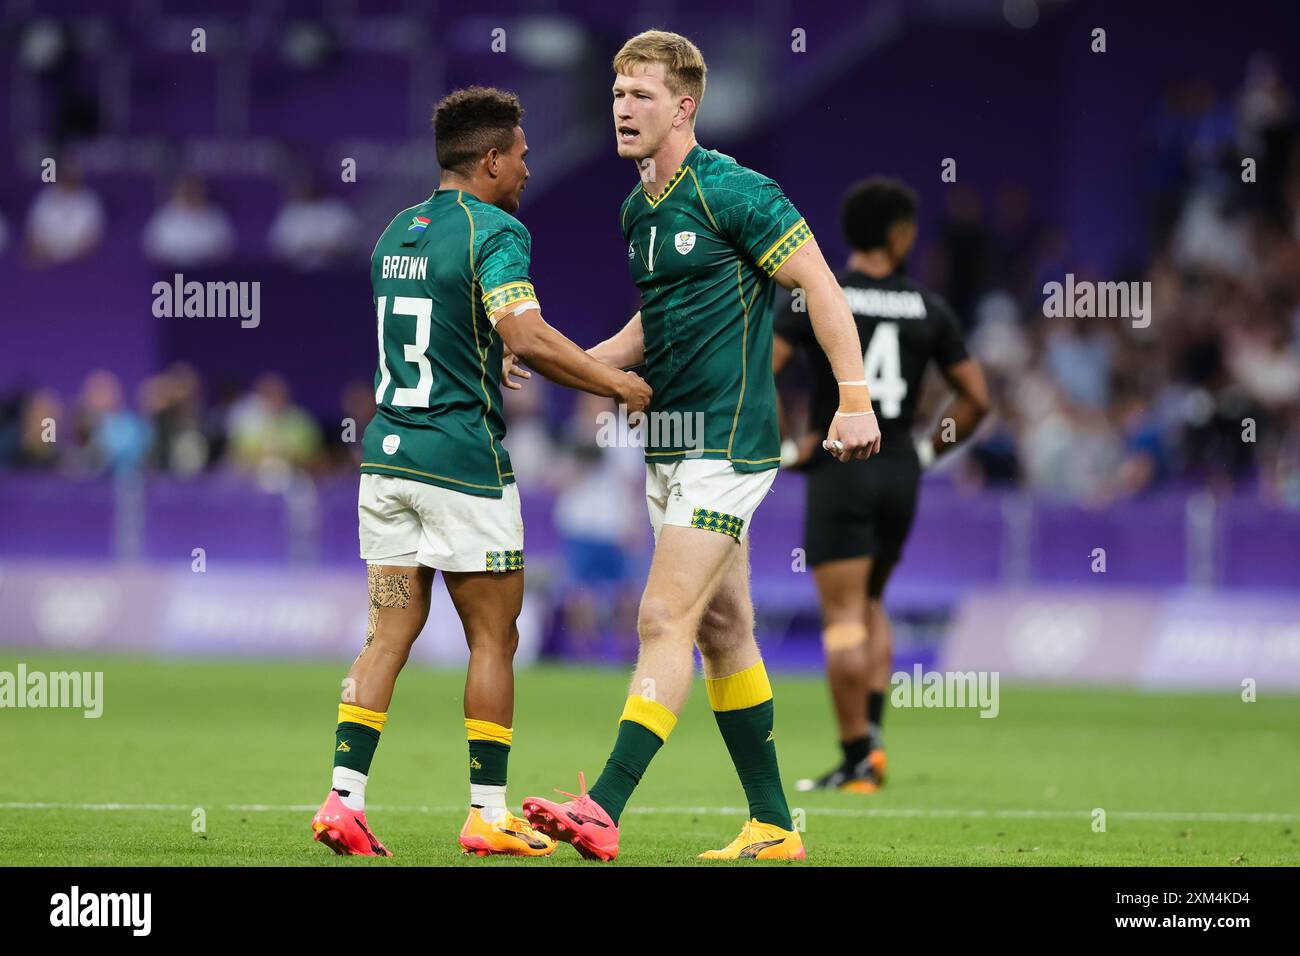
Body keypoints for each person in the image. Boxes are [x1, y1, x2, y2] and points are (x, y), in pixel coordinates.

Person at [522, 31, 880, 862]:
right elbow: (655, 323)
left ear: (684, 107)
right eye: (616, 93)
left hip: (729, 444)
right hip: (671, 447)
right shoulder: (636, 209)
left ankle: (603, 806)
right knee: (724, 630)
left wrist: (854, 399)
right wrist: (561, 359)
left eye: (641, 95)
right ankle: (775, 826)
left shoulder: (736, 191)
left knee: (661, 615)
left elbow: (820, 284)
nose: (621, 107)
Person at [309, 86, 652, 858]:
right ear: (490, 160)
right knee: (494, 639)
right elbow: (525, 334)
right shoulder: (495, 231)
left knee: (385, 636)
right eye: (522, 155)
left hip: (388, 469)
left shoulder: (396, 231)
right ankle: (488, 812)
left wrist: (492, 349)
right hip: (462, 471)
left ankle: (343, 800)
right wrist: (618, 383)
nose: (528, 168)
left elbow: (442, 329)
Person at [772, 177, 989, 792]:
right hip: (901, 469)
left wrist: (792, 444)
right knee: (871, 603)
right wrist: (925, 449)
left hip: (841, 460)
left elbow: (764, 369)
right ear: (898, 235)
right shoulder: (930, 306)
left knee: (841, 616)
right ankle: (874, 742)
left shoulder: (820, 294)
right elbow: (976, 399)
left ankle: (855, 759)